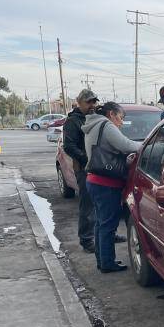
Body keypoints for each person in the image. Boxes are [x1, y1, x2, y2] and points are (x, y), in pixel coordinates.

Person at [82, 102, 142, 273]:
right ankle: (108, 263)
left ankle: (102, 260)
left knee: (101, 223)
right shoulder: (106, 126)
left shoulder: (93, 124)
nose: (121, 122)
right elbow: (127, 145)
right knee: (108, 225)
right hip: (106, 183)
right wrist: (147, 145)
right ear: (111, 114)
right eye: (120, 118)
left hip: (94, 180)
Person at [62, 89, 98, 252]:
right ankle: (86, 239)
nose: (92, 105)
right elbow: (69, 146)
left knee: (101, 204)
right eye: (88, 102)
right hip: (84, 168)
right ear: (79, 102)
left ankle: (105, 234)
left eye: (93, 102)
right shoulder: (73, 121)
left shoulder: (95, 117)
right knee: (88, 205)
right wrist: (86, 158)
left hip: (99, 167)